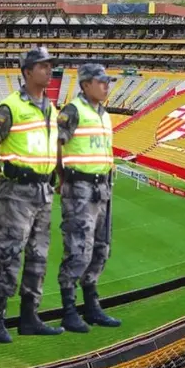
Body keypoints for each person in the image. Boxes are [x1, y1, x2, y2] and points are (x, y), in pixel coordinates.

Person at [0, 47, 65, 341]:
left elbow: (54, 144)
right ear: (27, 72)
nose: (48, 70)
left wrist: (58, 175)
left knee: (38, 255)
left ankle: (29, 317)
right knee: (8, 253)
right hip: (16, 190)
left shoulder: (50, 107)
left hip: (43, 190)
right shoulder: (10, 107)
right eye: (42, 66)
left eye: (49, 65)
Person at [57, 63, 122, 332]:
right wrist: (62, 178)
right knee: (78, 249)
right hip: (79, 188)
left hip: (103, 187)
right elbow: (56, 144)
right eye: (101, 82)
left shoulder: (104, 114)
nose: (106, 86)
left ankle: (92, 306)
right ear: (85, 85)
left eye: (108, 82)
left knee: (100, 248)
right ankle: (69, 310)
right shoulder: (72, 111)